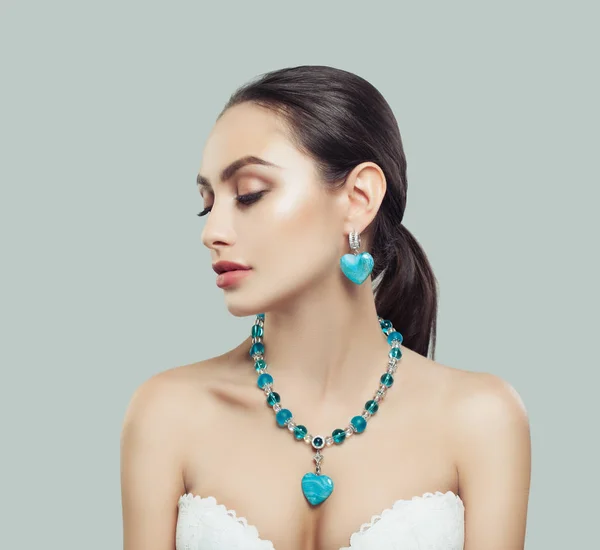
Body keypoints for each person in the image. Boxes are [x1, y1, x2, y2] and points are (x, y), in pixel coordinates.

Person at [120, 65, 531, 550]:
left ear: (358, 199)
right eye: (208, 203)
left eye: (249, 194)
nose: (212, 232)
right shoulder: (166, 414)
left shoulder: (481, 419)